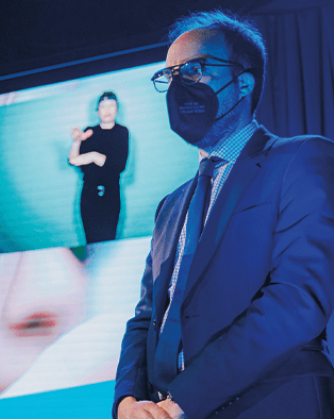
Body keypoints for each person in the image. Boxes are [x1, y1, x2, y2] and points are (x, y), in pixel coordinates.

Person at [114, 10, 334, 419]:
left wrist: (184, 401)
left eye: (194, 70)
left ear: (243, 81)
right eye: (169, 76)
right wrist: (128, 400)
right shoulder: (170, 206)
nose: (178, 86)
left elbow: (297, 299)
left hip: (271, 406)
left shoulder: (300, 159)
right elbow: (145, 317)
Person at [68, 91, 129, 244]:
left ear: (117, 109)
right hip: (89, 196)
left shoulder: (122, 132)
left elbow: (119, 165)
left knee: (109, 242)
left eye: (111, 105)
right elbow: (73, 160)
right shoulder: (89, 132)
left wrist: (94, 156)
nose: (107, 110)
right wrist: (76, 141)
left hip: (111, 195)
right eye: (103, 106)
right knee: (91, 243)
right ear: (97, 111)